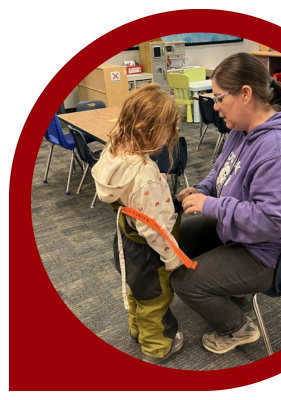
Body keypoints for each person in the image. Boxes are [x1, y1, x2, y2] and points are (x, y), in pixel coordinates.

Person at [171, 52, 281, 355]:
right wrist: (201, 190)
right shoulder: (241, 129)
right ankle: (227, 286)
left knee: (184, 282)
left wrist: (210, 205)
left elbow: (272, 221)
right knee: (172, 240)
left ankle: (238, 328)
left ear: (246, 94)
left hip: (272, 250)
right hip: (243, 228)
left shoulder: (279, 149)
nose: (215, 107)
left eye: (220, 98)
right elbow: (221, 170)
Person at [92, 83, 184, 364]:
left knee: (136, 290)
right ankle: (157, 347)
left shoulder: (113, 151)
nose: (172, 135)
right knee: (155, 300)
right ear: (146, 129)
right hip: (149, 250)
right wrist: (171, 257)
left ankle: (137, 331)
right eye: (169, 129)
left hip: (125, 241)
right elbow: (153, 227)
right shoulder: (143, 172)